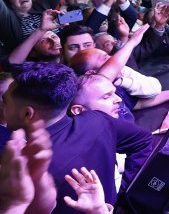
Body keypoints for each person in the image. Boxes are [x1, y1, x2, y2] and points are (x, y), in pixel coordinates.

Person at [1, 62, 153, 213]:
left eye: (5, 102)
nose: (2, 107)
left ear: (27, 113)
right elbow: (143, 140)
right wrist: (125, 192)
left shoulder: (25, 168)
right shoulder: (98, 120)